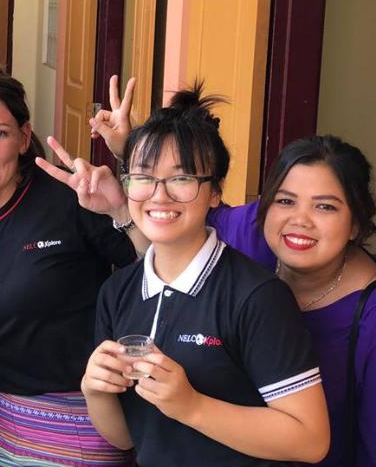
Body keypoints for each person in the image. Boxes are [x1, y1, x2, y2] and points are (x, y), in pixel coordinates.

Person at [66, 84, 330, 465]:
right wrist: (95, 390)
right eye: (143, 176)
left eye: (182, 178)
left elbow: (310, 440)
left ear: (215, 192)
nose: (159, 195)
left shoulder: (257, 296)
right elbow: (124, 438)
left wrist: (192, 406)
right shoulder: (118, 290)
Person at [0, 63, 137, 466]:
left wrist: (122, 203)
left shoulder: (71, 200)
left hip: (81, 423)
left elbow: (157, 270)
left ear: (24, 137)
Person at [208, 135, 376, 466]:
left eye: (325, 206)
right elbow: (182, 215)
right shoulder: (252, 240)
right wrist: (131, 163)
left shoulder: (370, 319)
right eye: (285, 201)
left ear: (356, 222)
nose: (300, 220)